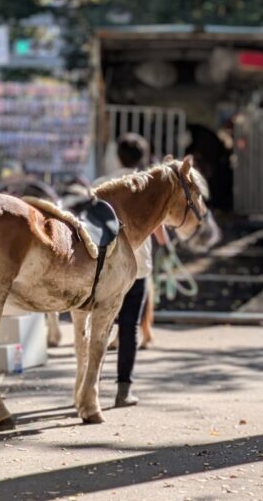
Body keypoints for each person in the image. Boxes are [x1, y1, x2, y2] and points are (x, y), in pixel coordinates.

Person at [105, 132, 158, 408]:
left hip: (104, 269)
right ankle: (123, 391)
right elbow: (159, 227)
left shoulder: (102, 185)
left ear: (118, 156)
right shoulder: (148, 187)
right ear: (144, 158)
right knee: (129, 328)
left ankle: (88, 388)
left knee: (98, 326)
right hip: (137, 268)